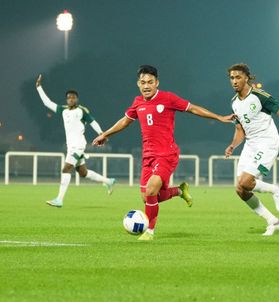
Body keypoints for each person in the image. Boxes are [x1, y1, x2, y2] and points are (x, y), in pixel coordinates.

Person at [93, 65, 234, 240]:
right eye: (143, 82)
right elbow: (125, 121)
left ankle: (149, 231)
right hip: (148, 156)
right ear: (138, 84)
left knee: (152, 190)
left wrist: (219, 117)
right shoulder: (138, 102)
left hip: (167, 154)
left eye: (150, 82)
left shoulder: (167, 98)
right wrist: (105, 134)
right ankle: (180, 191)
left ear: (157, 83)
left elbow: (193, 108)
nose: (146, 86)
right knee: (148, 197)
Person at [224, 63, 279, 236]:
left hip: (267, 143)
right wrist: (232, 145)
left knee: (245, 182)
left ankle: (276, 189)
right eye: (231, 78)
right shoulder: (234, 103)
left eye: (238, 77)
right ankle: (272, 221)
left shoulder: (259, 96)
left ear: (246, 78)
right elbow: (239, 130)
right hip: (250, 145)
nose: (234, 81)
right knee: (240, 189)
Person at [36, 74, 116, 208]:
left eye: (73, 97)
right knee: (83, 172)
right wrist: (39, 87)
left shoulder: (81, 110)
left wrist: (101, 134)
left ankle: (59, 199)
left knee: (66, 169)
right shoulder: (63, 110)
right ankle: (108, 181)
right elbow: (47, 103)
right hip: (71, 147)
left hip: (78, 146)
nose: (71, 99)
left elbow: (93, 121)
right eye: (68, 97)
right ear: (66, 100)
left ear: (77, 99)